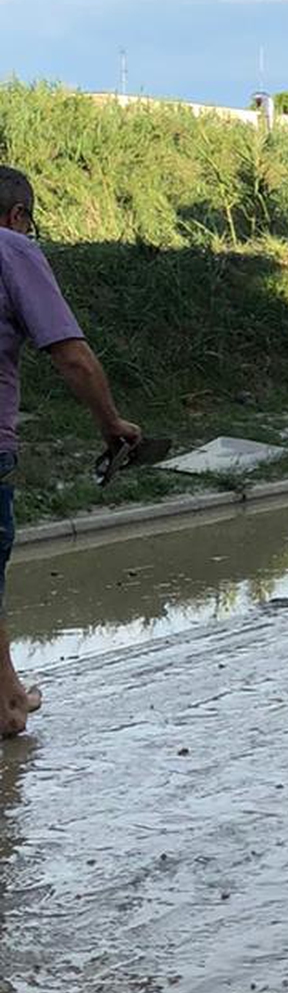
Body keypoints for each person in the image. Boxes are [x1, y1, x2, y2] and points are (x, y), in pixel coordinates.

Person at [1, 166, 143, 738]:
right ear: (17, 216)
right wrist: (111, 424)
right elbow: (72, 357)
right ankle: (8, 705)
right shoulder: (12, 248)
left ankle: (8, 695)